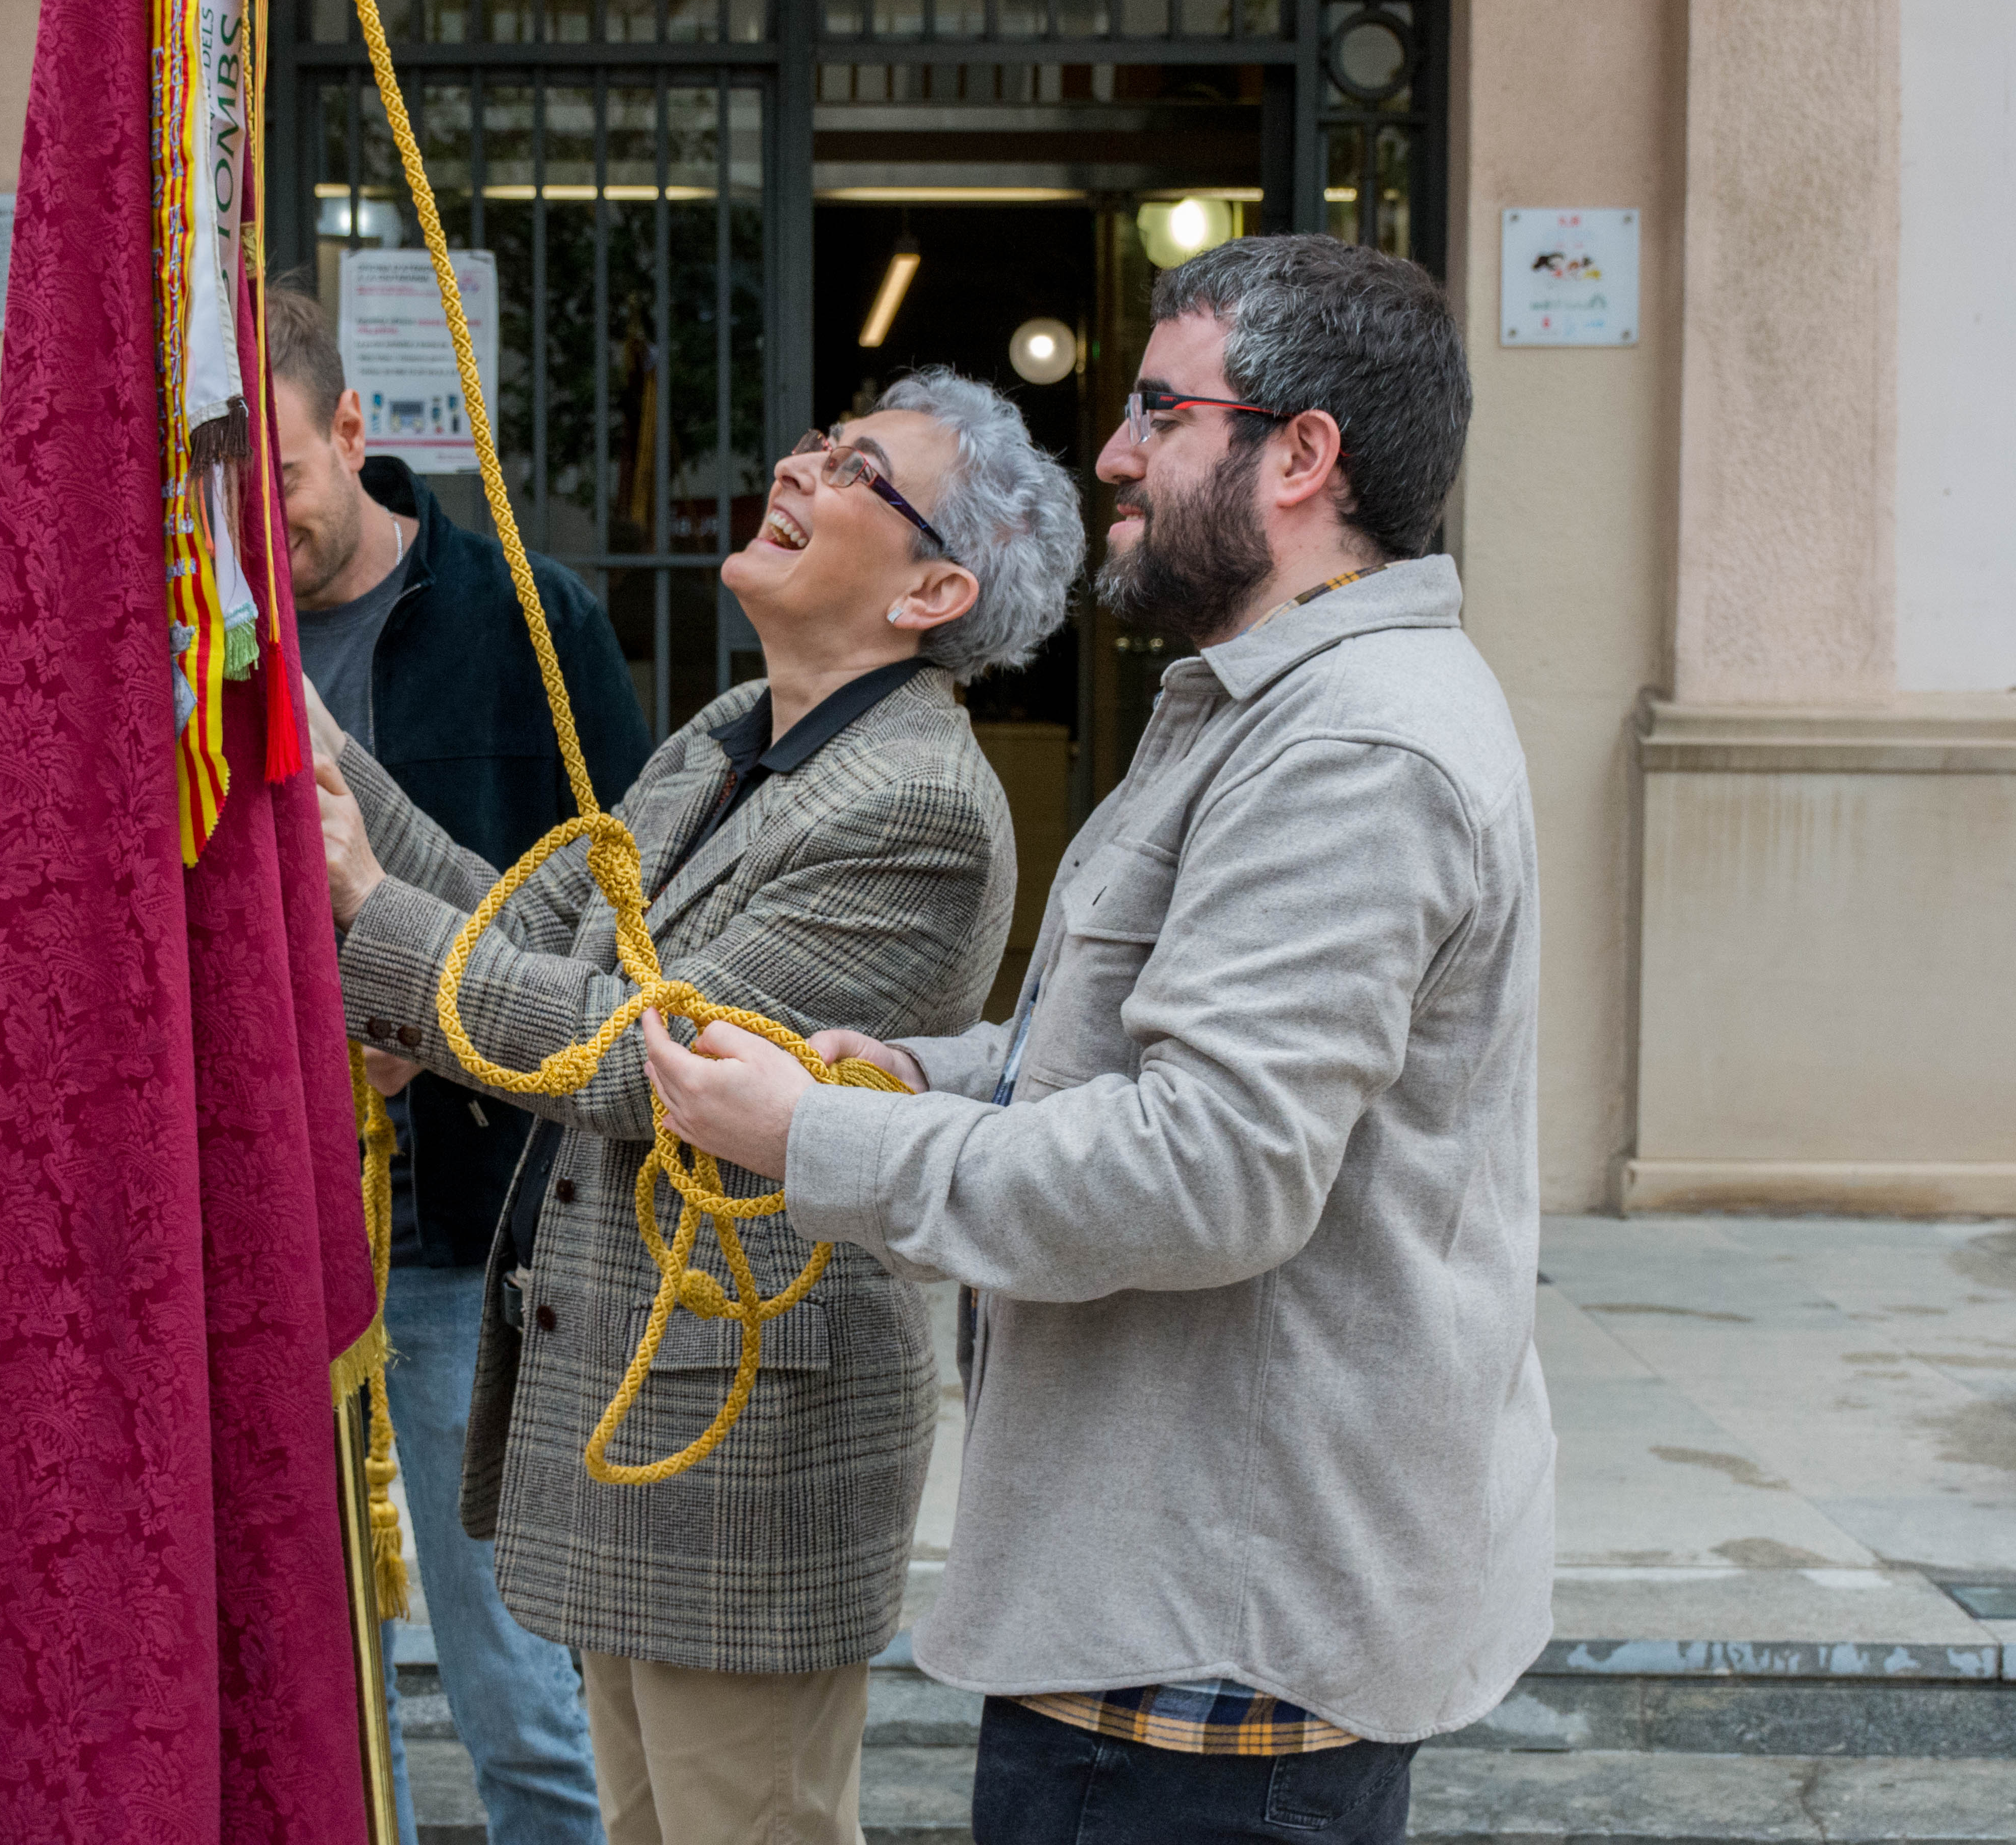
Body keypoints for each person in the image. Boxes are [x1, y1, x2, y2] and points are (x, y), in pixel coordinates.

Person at [641, 234, 1551, 1845]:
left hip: (1213, 1649)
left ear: (1302, 455)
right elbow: (1139, 1061)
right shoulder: (1267, 706)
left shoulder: (1356, 749)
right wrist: (920, 1074)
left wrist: (815, 1140)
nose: (1115, 454)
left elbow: (1208, 1174)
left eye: (1159, 409)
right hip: (1167, 1614)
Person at [309, 370, 1083, 1845]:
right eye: (818, 441)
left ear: (935, 589)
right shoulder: (740, 731)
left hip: (743, 1452)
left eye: (858, 467)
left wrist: (364, 913)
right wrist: (315, 746)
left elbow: (645, 1062)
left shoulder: (913, 804)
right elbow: (524, 941)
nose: (800, 465)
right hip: (626, 1411)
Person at [270, 284, 649, 1845]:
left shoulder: (525, 614)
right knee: (314, 1695)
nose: (252, 526)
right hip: (275, 1230)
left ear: (354, 432)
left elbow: (634, 903)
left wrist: (443, 1015)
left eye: (275, 478)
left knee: (520, 1700)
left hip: (465, 1232)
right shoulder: (202, 635)